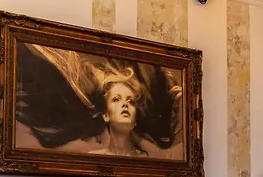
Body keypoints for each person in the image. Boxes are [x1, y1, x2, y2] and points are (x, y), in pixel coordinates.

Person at [15, 42, 184, 160]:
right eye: (116, 99)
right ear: (105, 115)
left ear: (135, 120)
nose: (125, 105)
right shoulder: (92, 155)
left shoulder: (149, 156)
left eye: (131, 101)